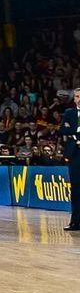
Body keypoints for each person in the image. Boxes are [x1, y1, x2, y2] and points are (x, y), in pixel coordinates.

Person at [63, 88, 79, 232]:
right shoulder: (69, 113)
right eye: (77, 96)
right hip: (74, 153)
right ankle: (75, 221)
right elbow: (63, 129)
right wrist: (75, 134)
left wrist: (72, 132)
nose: (79, 98)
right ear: (74, 99)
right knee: (75, 188)